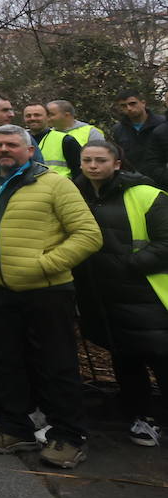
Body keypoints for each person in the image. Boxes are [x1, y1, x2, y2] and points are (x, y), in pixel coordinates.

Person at [0, 125, 101, 468]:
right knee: (5, 362)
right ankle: (15, 428)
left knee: (57, 365)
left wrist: (44, 265)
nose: (3, 149)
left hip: (47, 291)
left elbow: (88, 234)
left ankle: (68, 436)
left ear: (29, 150)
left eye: (12, 144)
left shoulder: (55, 183)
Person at [72, 140, 168, 447]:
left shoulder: (146, 194)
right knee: (125, 360)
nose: (93, 166)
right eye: (87, 160)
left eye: (100, 160)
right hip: (103, 297)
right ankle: (140, 416)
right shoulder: (75, 196)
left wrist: (125, 265)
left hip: (148, 295)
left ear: (117, 164)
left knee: (160, 357)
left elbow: (165, 243)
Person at [111, 90, 168, 187]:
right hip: (134, 182)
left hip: (162, 181)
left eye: (132, 103)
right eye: (124, 106)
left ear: (143, 103)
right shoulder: (118, 130)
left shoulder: (162, 125)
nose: (129, 108)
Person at [23, 102, 82, 181]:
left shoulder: (66, 140)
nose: (32, 118)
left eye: (37, 115)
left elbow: (80, 172)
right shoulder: (18, 140)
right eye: (28, 116)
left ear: (48, 117)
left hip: (59, 189)